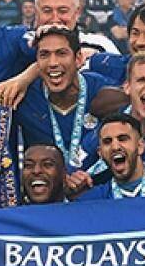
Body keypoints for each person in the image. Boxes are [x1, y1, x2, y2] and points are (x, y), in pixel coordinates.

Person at [13, 24, 108, 170]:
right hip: (46, 183)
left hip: (99, 182)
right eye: (44, 55)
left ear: (78, 59)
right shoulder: (25, 99)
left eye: (61, 53)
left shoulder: (101, 88)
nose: (53, 63)